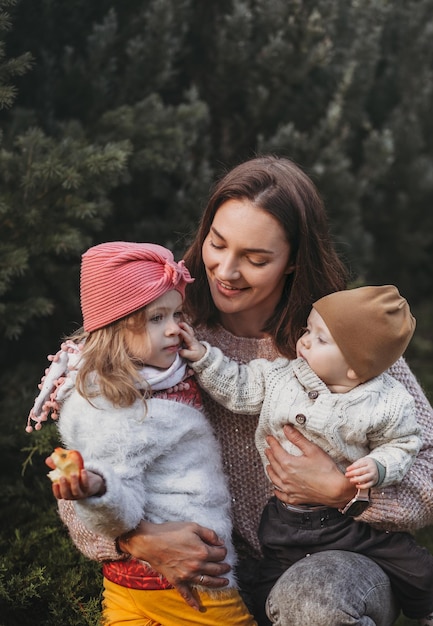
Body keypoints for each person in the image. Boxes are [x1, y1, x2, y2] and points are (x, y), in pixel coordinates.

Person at [38, 156, 433, 625]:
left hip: (335, 556)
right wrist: (137, 539)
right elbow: (89, 465)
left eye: (255, 258)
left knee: (312, 602)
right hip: (213, 573)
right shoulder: (164, 339)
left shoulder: (346, 341)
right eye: (217, 244)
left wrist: (342, 492)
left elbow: (428, 471)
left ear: (293, 263)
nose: (225, 270)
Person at [27, 241, 257, 626]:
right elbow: (122, 497)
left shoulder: (160, 375)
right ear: (116, 327)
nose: (174, 328)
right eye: (155, 318)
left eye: (176, 313)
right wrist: (97, 488)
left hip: (124, 586)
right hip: (188, 576)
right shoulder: (123, 406)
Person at [180, 284, 433, 625]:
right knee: (267, 585)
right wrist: (202, 357)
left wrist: (378, 466)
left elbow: (404, 444)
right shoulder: (285, 375)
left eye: (320, 338)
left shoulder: (386, 401)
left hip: (352, 524)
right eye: (308, 330)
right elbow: (239, 386)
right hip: (287, 519)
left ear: (356, 368)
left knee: (415, 566)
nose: (305, 341)